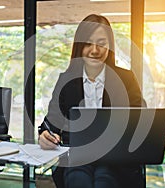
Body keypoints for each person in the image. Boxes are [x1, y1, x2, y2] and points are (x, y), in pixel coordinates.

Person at [38, 14, 146, 188]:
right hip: (77, 157)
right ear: (79, 46)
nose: (94, 50)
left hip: (115, 159)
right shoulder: (66, 81)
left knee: (104, 180)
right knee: (78, 179)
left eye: (101, 44)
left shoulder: (126, 79)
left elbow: (140, 120)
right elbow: (51, 122)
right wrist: (45, 135)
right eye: (88, 43)